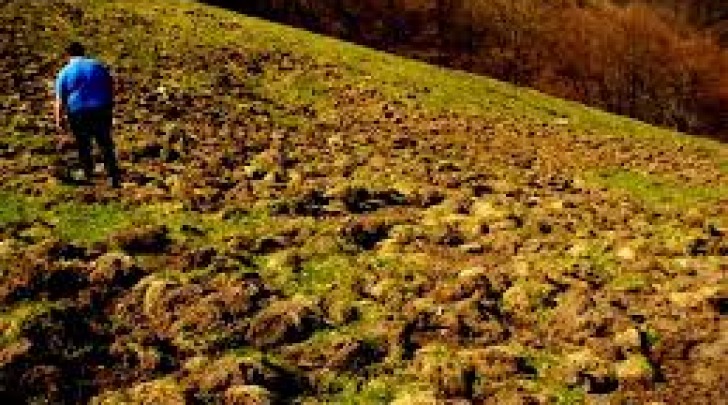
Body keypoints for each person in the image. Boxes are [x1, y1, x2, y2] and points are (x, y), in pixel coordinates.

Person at [55, 41, 120, 188]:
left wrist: (59, 120)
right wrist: (109, 105)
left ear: (68, 55)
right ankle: (113, 174)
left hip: (78, 112)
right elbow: (111, 85)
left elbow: (60, 100)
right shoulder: (98, 66)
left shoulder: (65, 72)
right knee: (105, 142)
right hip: (101, 109)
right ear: (83, 52)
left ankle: (88, 172)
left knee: (83, 144)